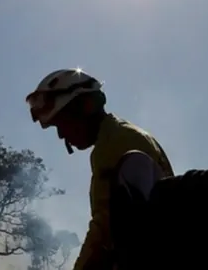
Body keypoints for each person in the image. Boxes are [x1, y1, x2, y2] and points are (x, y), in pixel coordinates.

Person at [25, 68, 174, 270]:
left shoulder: (115, 142)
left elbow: (105, 230)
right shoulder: (121, 134)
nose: (61, 135)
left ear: (85, 107)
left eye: (62, 123)